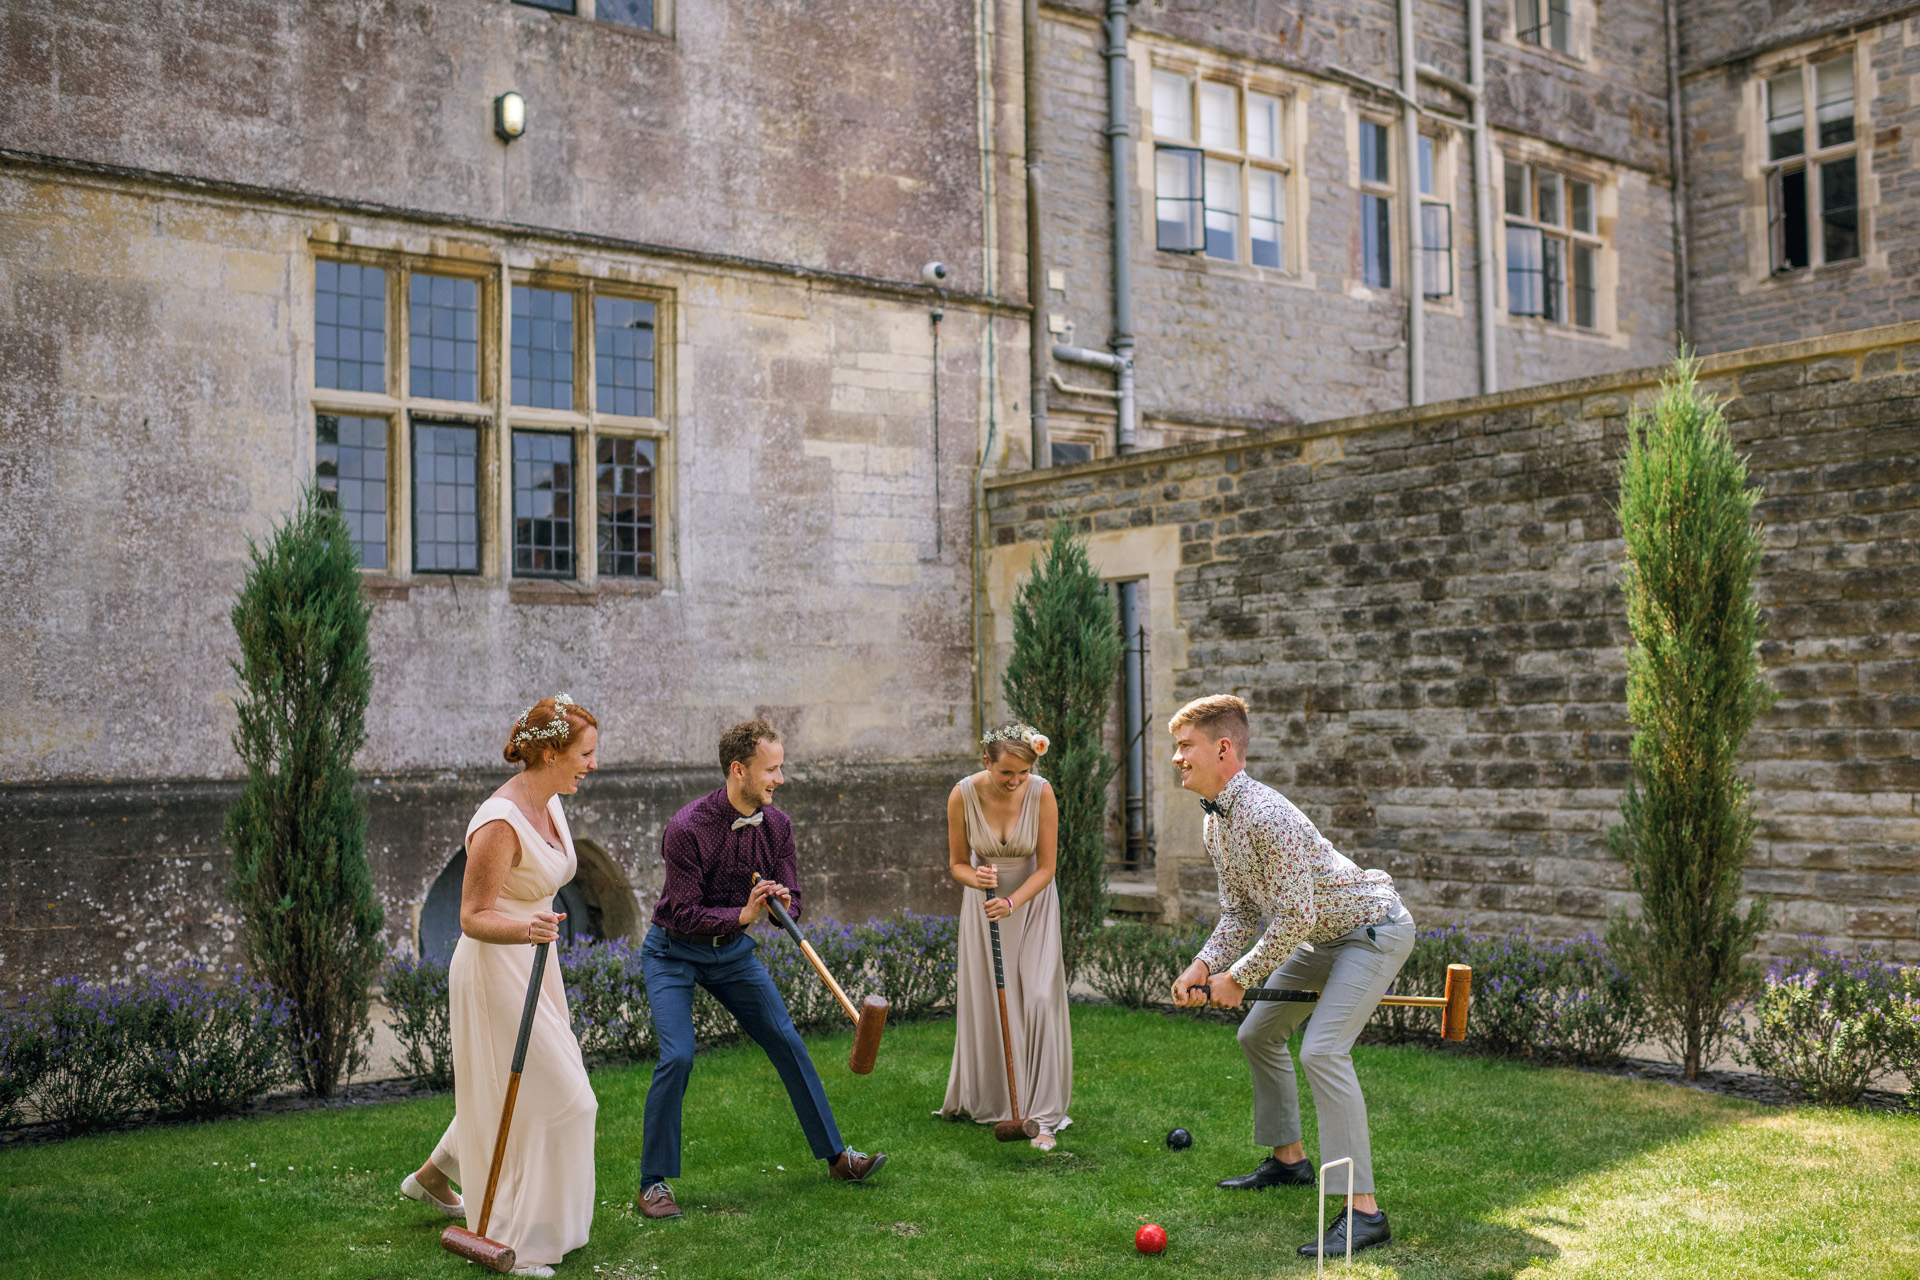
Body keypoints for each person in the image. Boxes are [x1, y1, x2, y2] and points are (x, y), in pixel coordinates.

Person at [1166, 694, 1414, 1260]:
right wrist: (1206, 964)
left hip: (1373, 930)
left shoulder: (1266, 815)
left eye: (1185, 747)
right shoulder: (1217, 826)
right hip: (1323, 935)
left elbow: (1295, 914)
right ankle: (1289, 1160)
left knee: (1323, 1051)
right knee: (1258, 1033)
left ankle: (1364, 1212)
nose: (1176, 758)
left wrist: (1242, 975)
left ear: (1222, 749)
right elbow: (1239, 913)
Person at [634, 718, 888, 1220]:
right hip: (673, 952)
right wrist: (743, 914)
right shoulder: (687, 828)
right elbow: (681, 911)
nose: (780, 778)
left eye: (781, 768)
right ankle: (653, 1183)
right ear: (738, 770)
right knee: (678, 1056)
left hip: (730, 955)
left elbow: (790, 902)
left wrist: (782, 905)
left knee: (786, 1039)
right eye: (771, 769)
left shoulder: (778, 825)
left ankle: (838, 1158)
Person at [402, 694, 601, 1279]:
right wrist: (526, 928)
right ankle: (520, 1239)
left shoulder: (553, 801)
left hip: (536, 962)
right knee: (567, 1099)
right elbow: (471, 915)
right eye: (584, 755)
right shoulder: (498, 823)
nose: (591, 765)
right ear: (548, 753)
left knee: (517, 1088)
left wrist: (534, 931)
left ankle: (434, 1176)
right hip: (495, 966)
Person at [938, 721, 1072, 1149]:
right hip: (984, 908)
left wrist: (1013, 902)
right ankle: (997, 1100)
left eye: (1023, 773)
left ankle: (1044, 1117)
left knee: (1037, 997)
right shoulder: (962, 795)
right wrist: (978, 881)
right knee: (995, 1006)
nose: (1016, 782)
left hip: (1032, 904)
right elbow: (958, 862)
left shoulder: (1042, 792)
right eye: (1006, 773)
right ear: (986, 762)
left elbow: (1047, 867)